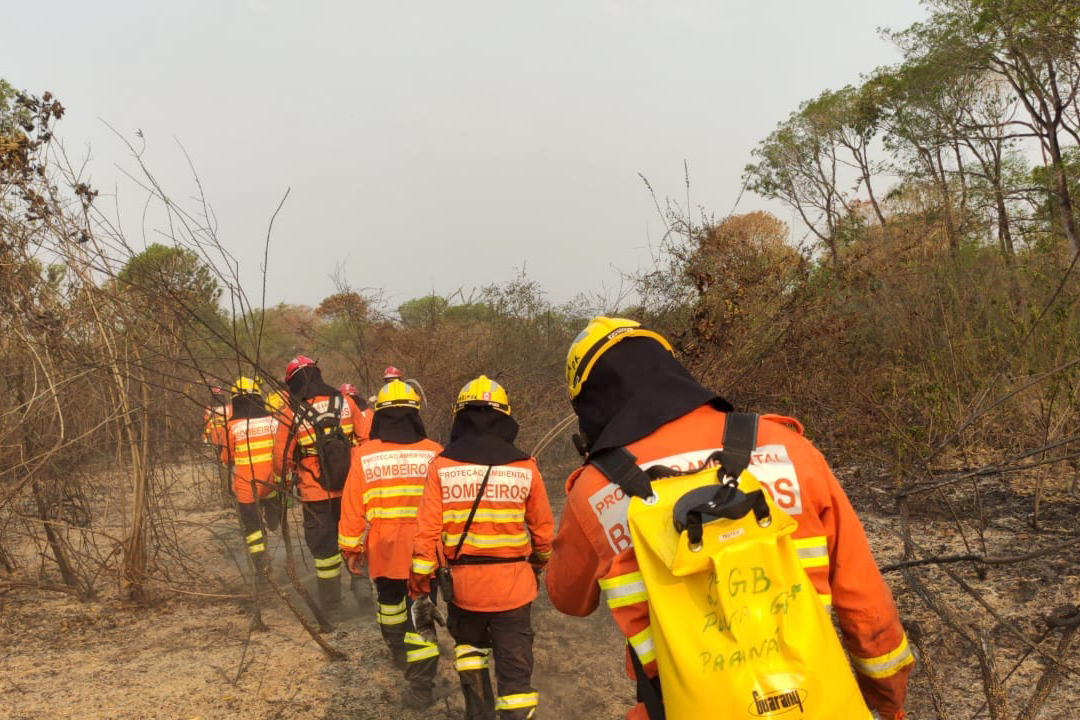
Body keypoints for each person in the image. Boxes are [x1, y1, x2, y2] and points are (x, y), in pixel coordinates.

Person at [545, 317, 914, 720]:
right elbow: (865, 602)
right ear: (671, 369)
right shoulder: (789, 448)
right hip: (819, 702)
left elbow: (569, 599)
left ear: (590, 401)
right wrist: (887, 699)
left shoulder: (594, 492)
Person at [410, 375, 554, 720]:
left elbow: (427, 531)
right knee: (515, 670)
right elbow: (544, 533)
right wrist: (538, 565)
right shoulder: (525, 466)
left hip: (463, 590)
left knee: (470, 654)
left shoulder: (442, 466)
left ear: (459, 417)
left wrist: (419, 582)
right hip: (514, 588)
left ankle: (478, 713)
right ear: (504, 417)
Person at [339, 379, 444, 708]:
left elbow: (353, 507)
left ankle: (398, 652)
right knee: (422, 613)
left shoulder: (364, 454)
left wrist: (350, 549)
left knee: (389, 605)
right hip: (426, 549)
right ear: (415, 415)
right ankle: (422, 678)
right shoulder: (436, 451)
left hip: (384, 548)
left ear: (380, 415)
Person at [273, 355, 365, 616]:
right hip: (350, 491)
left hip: (315, 494)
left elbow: (281, 458)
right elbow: (366, 439)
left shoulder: (291, 412)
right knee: (355, 539)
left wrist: (285, 482)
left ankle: (333, 607)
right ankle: (363, 592)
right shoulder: (346, 402)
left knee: (325, 553)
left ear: (293, 382)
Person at [220, 377, 284, 580]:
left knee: (253, 530)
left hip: (247, 488)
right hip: (273, 482)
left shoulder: (232, 426)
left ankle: (261, 566)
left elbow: (226, 459)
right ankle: (274, 514)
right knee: (273, 502)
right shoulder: (274, 421)